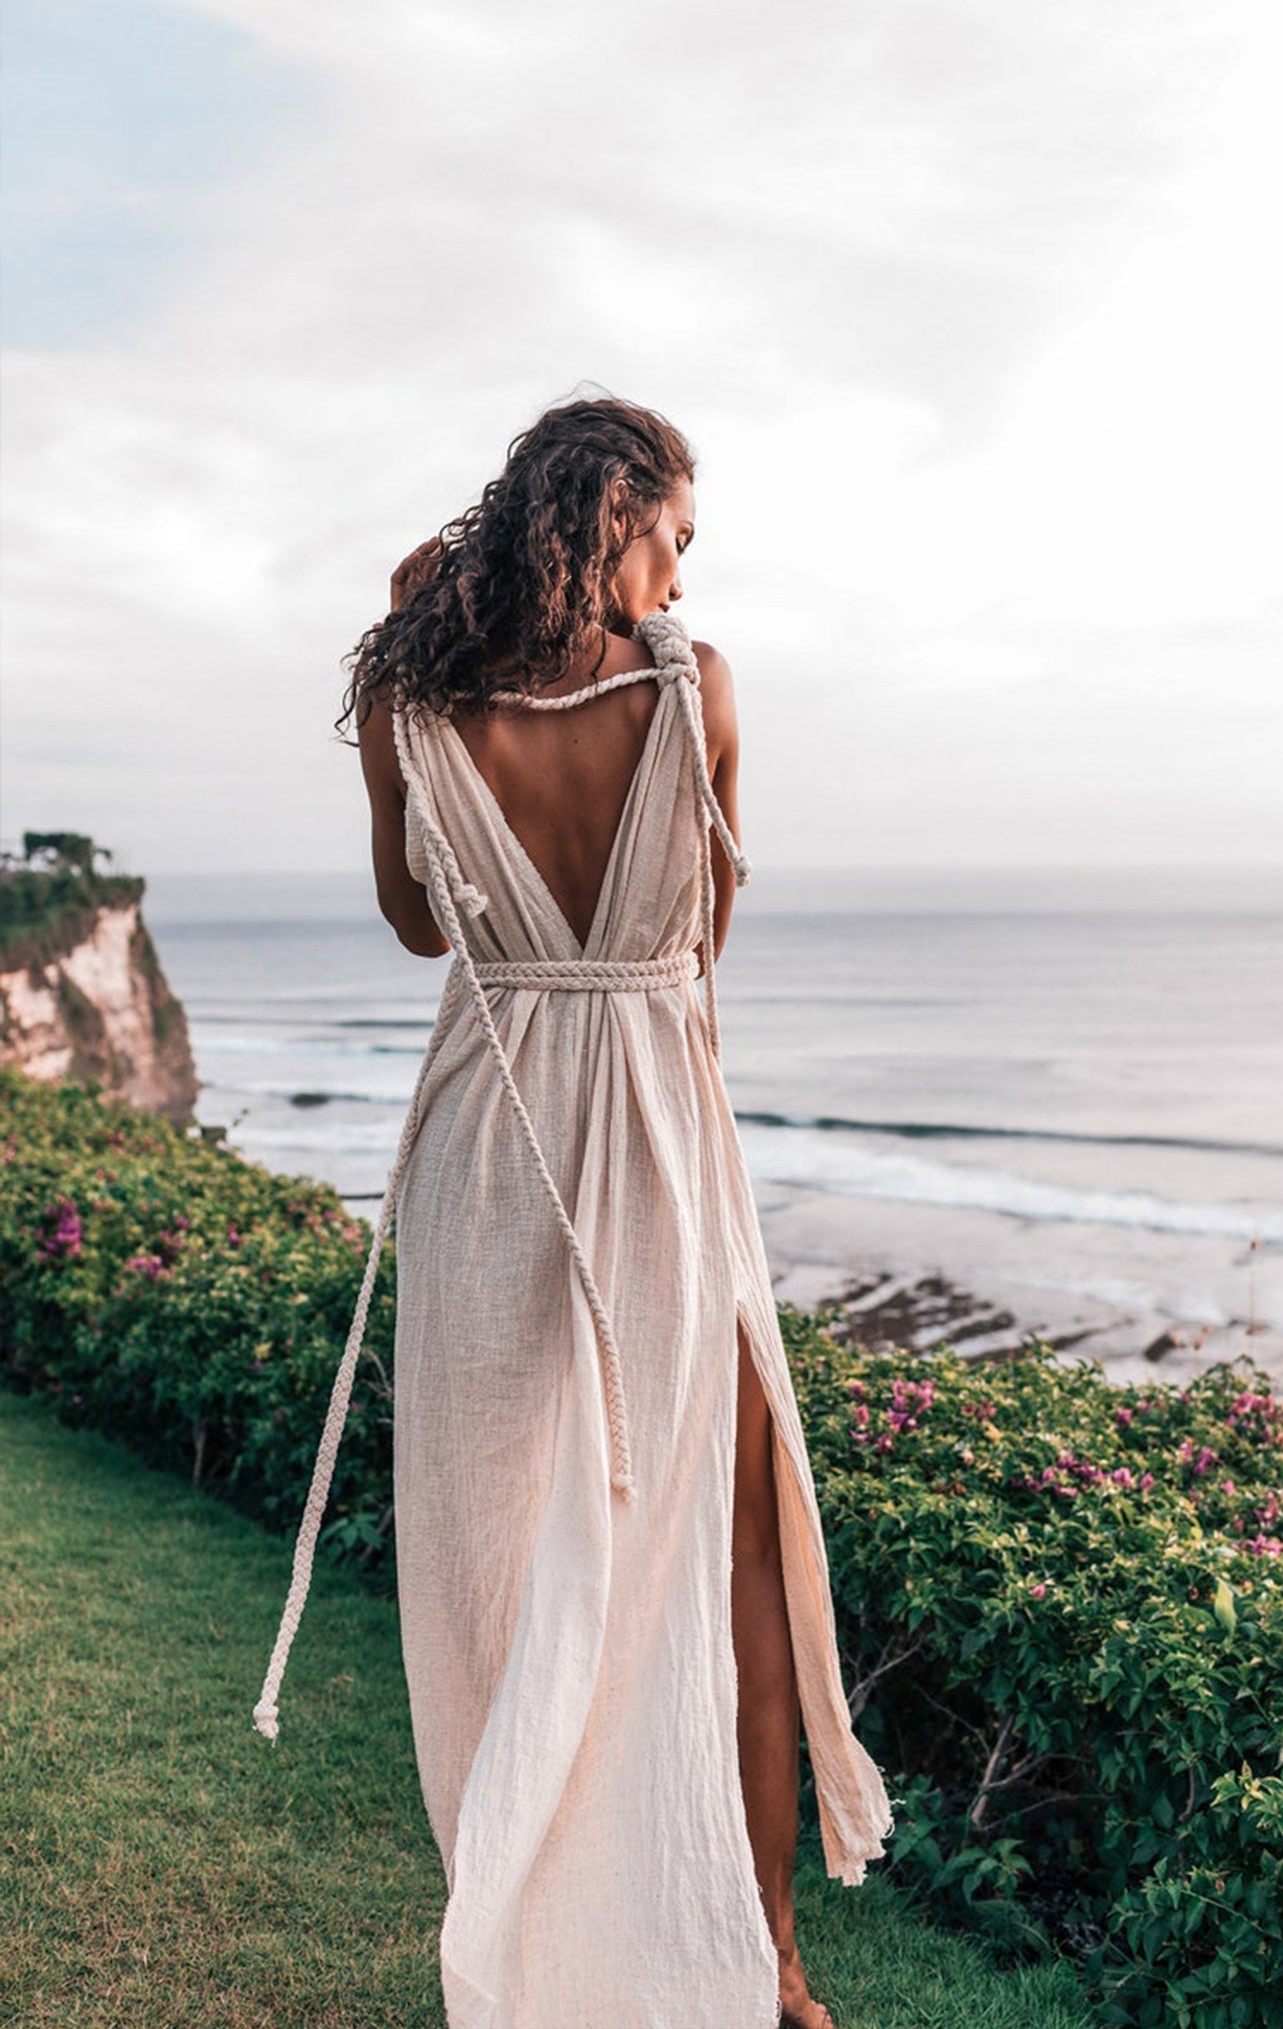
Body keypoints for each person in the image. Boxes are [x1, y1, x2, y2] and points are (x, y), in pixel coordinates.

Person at [253, 394, 891, 2029]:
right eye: (673, 533)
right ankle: (771, 1970)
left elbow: (414, 924)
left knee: (498, 1539)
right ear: (608, 513)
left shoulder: (415, 694)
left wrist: (408, 647)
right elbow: (700, 938)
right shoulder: (698, 695)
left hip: (492, 1132)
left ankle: (535, 1932)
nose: (679, 576)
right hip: (660, 1134)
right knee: (730, 1541)